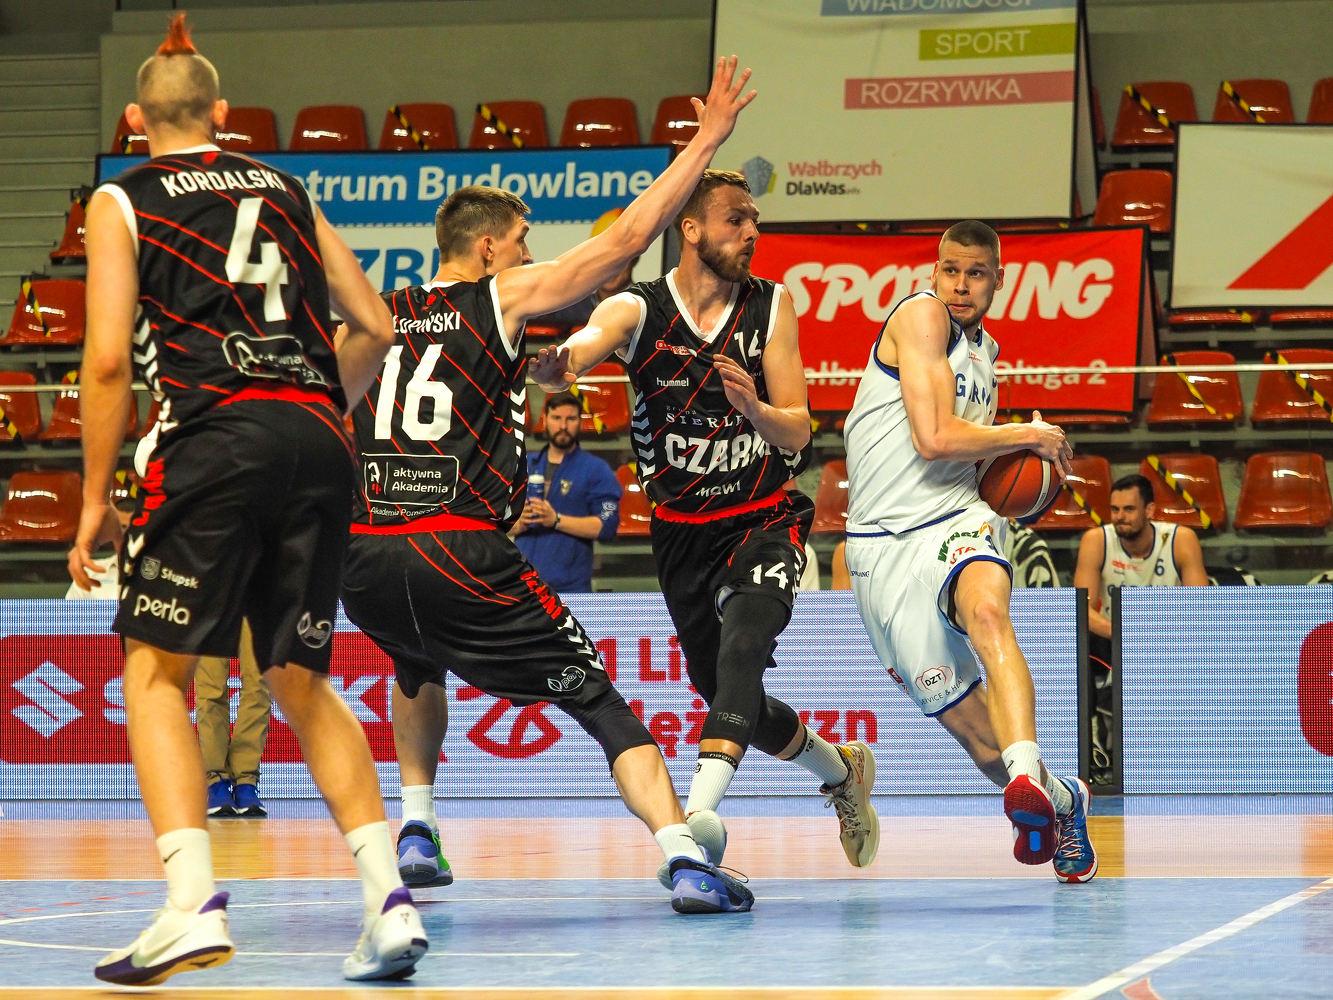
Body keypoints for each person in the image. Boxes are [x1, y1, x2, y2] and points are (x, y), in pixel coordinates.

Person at [339, 56, 761, 915]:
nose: (531, 255)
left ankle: (416, 824)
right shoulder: (496, 297)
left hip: (364, 560)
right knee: (601, 702)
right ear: (488, 250)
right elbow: (623, 243)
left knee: (415, 661)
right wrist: (706, 139)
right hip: (459, 548)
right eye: (523, 241)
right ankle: (684, 858)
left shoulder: (377, 314)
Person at [68, 16, 426, 984]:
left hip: (214, 438)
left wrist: (94, 495)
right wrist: (304, 414)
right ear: (222, 114)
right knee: (301, 678)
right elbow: (375, 323)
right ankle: (388, 902)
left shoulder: (121, 197)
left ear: (134, 118)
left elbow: (107, 362)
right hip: (318, 437)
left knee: (156, 673)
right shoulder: (286, 186)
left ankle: (190, 903)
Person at [530, 168, 880, 882]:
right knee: (723, 690)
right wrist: (562, 367)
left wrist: (755, 409)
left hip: (762, 514)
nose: (751, 232)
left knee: (743, 649)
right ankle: (840, 771)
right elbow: (589, 342)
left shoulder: (772, 305)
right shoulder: (638, 307)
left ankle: (696, 819)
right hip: (682, 529)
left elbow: (798, 429)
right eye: (735, 220)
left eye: (755, 221)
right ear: (690, 230)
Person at [840, 220, 1098, 883]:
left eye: (975, 273)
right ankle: (1062, 798)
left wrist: (1025, 474)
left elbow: (980, 466)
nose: (960, 284)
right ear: (933, 272)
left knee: (987, 612)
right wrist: (1029, 433)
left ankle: (1026, 777)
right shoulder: (920, 316)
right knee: (981, 744)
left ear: (997, 280)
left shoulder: (986, 354)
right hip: (879, 546)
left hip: (957, 519)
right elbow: (932, 438)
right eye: (950, 270)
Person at [1073, 473, 1209, 639]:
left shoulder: (1181, 539)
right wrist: (1123, 634)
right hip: (1113, 639)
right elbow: (1082, 608)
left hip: (1170, 638)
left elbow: (1200, 605)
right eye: (1115, 509)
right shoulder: (1096, 540)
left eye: (1129, 509)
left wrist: (1157, 637)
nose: (1120, 517)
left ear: (1149, 510)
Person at [512, 391, 622, 592]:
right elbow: (496, 520)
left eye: (570, 419)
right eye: (556, 418)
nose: (563, 426)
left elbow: (606, 526)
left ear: (580, 422)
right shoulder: (523, 466)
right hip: (522, 586)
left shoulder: (596, 469)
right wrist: (517, 524)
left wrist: (556, 520)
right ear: (545, 420)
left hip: (571, 589)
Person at [197, 621, 271, 818]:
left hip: (259, 603)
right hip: (210, 602)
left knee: (258, 685)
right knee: (211, 688)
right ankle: (215, 782)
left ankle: (246, 782)